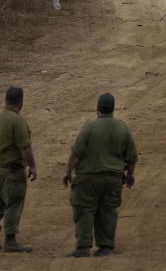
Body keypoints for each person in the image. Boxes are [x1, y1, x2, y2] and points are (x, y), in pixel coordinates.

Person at [61, 92, 138, 258]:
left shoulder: (89, 126)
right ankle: (105, 246)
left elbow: (77, 152)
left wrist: (67, 171)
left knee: (84, 209)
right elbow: (131, 157)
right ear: (113, 109)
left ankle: (83, 246)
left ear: (98, 109)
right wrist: (130, 175)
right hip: (113, 179)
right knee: (108, 211)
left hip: (88, 177)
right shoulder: (123, 128)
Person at [0, 85, 37, 253]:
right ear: (21, 102)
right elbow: (25, 148)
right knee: (14, 202)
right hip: (12, 171)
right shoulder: (17, 121)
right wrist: (33, 166)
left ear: (6, 100)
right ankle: (10, 239)